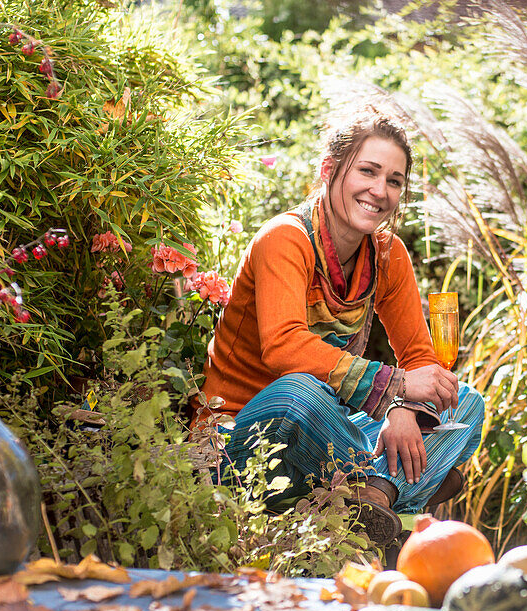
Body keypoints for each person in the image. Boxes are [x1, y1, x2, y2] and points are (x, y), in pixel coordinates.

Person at [198, 105, 485, 547]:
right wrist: (395, 391)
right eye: (367, 171)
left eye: (394, 180)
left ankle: (376, 495)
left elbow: (420, 360)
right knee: (300, 392)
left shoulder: (388, 256)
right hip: (247, 434)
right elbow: (284, 348)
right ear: (330, 169)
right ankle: (406, 484)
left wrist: (404, 410)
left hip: (329, 432)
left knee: (462, 403)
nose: (379, 190)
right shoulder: (285, 239)